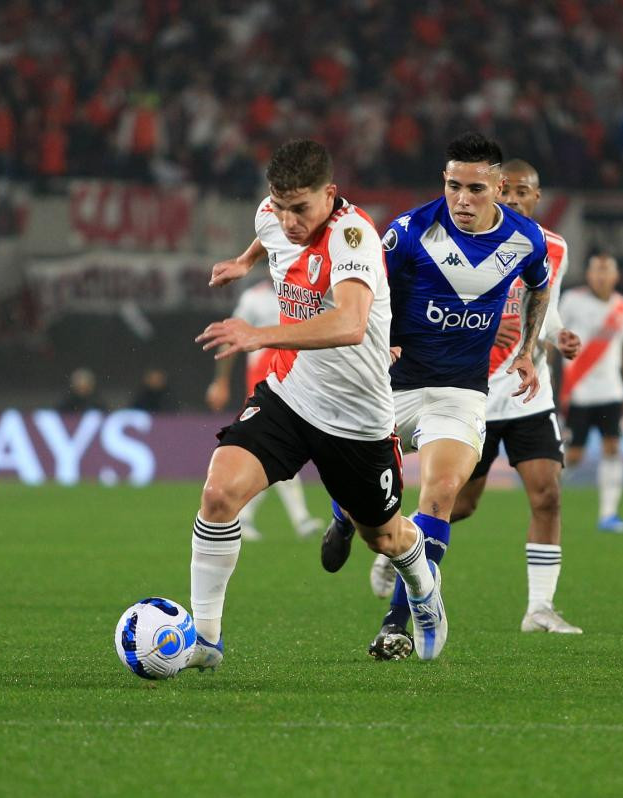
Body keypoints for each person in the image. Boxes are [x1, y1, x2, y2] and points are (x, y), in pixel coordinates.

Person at [185, 139, 447, 671]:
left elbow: (350, 324)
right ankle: (206, 641)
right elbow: (267, 236)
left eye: (300, 208)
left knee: (385, 536)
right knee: (218, 494)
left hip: (357, 418)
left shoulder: (354, 238)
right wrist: (243, 261)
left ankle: (422, 585)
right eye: (279, 205)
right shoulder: (272, 214)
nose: (287, 220)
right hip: (290, 395)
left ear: (329, 194)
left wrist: (261, 335)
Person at [319, 132, 553, 660]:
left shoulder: (526, 238)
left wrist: (527, 348)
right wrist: (385, 338)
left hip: (459, 390)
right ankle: (342, 512)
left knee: (442, 491)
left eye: (475, 188)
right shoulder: (408, 232)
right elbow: (364, 288)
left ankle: (398, 622)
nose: (462, 199)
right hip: (393, 384)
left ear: (498, 186)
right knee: (371, 503)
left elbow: (540, 282)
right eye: (453, 187)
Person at [447, 158, 584, 634]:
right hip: (473, 394)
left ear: (535, 197)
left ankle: (539, 608)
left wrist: (559, 336)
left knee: (547, 496)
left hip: (530, 394)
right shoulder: (462, 242)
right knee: (456, 505)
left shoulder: (554, 248)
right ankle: (402, 548)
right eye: (506, 192)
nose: (512, 200)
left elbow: (547, 307)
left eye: (522, 192)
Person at [204, 277, 324, 541]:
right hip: (264, 378)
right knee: (276, 446)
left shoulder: (306, 288)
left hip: (297, 376)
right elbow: (230, 337)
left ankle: (246, 517)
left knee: (276, 450)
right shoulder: (254, 298)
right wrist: (221, 381)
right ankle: (298, 519)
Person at [558, 253, 623, 533]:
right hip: (580, 391)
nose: (601, 276)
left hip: (611, 391)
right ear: (589, 274)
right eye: (596, 271)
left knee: (612, 448)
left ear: (615, 276)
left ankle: (609, 514)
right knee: (575, 456)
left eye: (607, 271)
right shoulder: (571, 301)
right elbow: (554, 337)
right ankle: (547, 501)